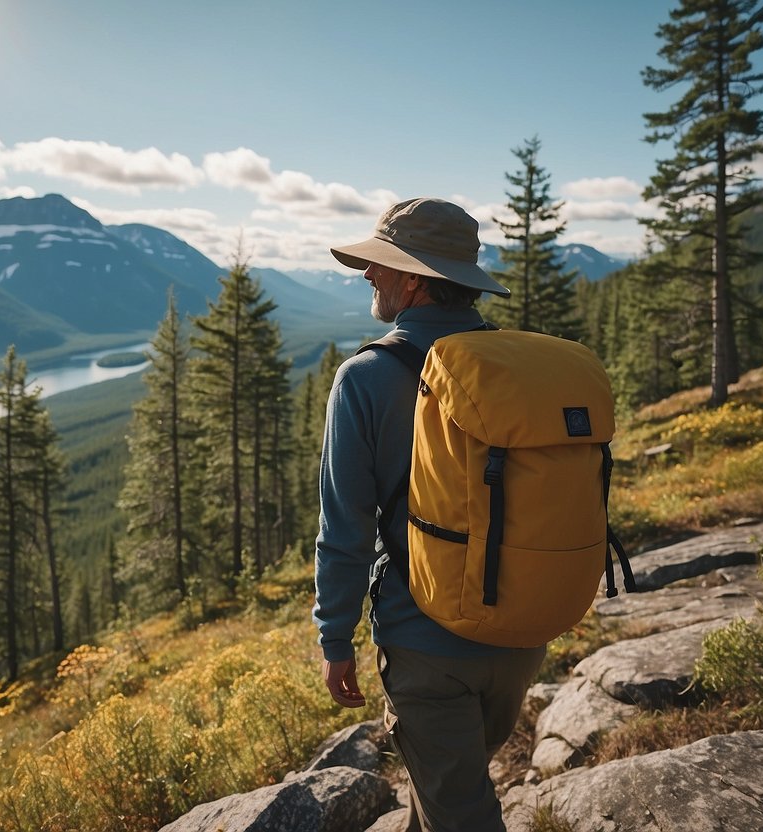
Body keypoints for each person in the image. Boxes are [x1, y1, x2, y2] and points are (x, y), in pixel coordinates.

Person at [313, 197, 547, 832]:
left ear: (413, 279)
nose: (368, 274)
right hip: (522, 630)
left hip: (429, 640)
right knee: (446, 789)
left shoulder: (366, 377)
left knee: (463, 812)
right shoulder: (515, 364)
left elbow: (346, 530)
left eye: (380, 265)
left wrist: (335, 638)